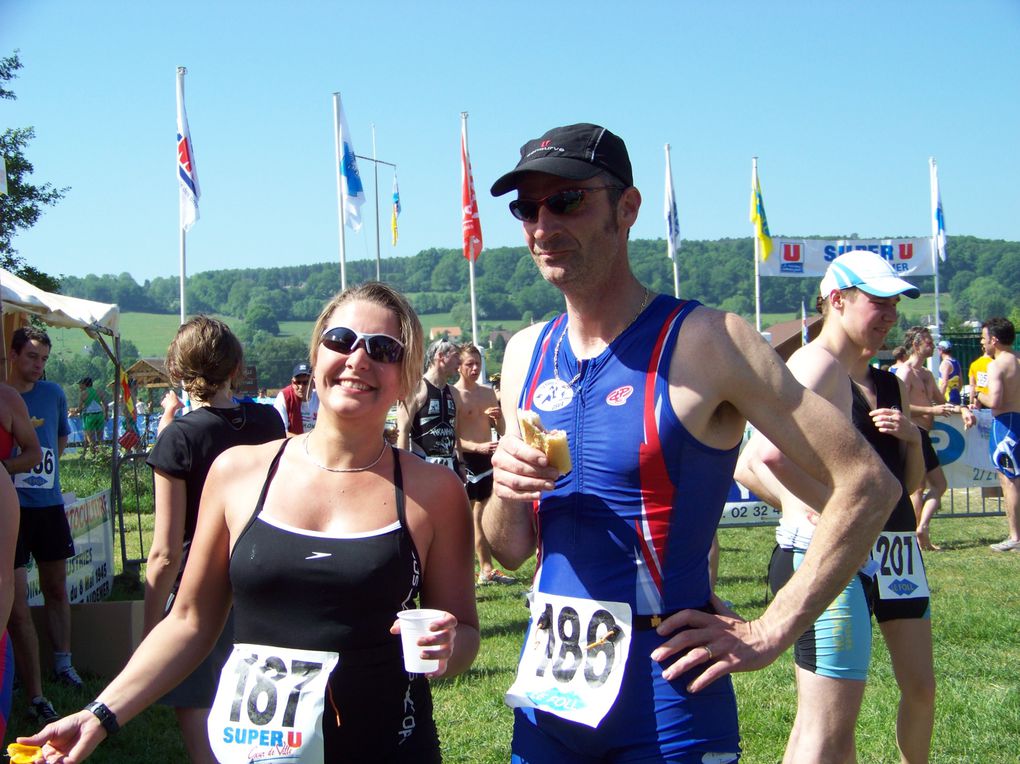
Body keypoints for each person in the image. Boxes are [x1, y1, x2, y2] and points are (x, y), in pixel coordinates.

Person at [483, 122, 897, 762]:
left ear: (627, 209)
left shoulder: (709, 341)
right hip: (553, 687)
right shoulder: (523, 355)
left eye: (566, 200)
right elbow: (508, 550)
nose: (542, 224)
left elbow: (868, 484)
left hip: (669, 687)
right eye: (527, 207)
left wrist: (770, 629)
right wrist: (506, 491)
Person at [23, 283, 479, 763]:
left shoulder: (435, 492)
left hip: (389, 749)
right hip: (257, 753)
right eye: (342, 339)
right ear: (317, 351)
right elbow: (189, 620)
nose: (358, 359)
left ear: (405, 377)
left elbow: (465, 632)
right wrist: (99, 715)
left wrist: (448, 645)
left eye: (383, 349)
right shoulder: (237, 473)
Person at [736, 250, 928, 763]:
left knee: (817, 733)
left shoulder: (832, 369)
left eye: (895, 304)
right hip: (821, 556)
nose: (889, 315)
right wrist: (827, 507)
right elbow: (760, 457)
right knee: (829, 737)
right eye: (877, 302)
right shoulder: (817, 364)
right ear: (837, 300)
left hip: (833, 554)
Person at [144, 317, 284, 762]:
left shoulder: (178, 437)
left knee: (199, 701)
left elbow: (165, 552)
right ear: (236, 367)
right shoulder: (266, 420)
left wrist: (152, 631)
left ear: (177, 368)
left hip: (200, 586)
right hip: (266, 577)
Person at [7, 327, 82, 727]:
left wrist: (37, 469)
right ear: (14, 355)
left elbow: (58, 441)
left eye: (44, 359)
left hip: (48, 505)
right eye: (33, 357)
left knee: (56, 587)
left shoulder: (53, 394)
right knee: (14, 602)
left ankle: (63, 662)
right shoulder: (5, 396)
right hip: (12, 509)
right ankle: (20, 677)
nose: (38, 366)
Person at [896, 326, 975, 551]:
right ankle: (915, 535)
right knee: (919, 488)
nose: (933, 346)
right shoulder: (905, 372)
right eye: (929, 342)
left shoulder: (927, 375)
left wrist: (963, 410)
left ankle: (920, 530)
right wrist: (932, 411)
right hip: (913, 435)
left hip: (923, 436)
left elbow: (942, 402)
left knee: (937, 485)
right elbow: (900, 406)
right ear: (916, 344)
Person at [1, 383, 43, 742]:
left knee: (15, 613)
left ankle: (35, 696)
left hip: (4, 513)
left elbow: (32, 453)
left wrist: (2, 466)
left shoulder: (7, 398)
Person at [451, 344, 514, 585]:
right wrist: (475, 448)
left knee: (488, 515)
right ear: (459, 366)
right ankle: (482, 569)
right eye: (470, 364)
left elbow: (501, 430)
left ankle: (487, 569)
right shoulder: (454, 394)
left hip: (489, 458)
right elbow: (453, 435)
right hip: (468, 459)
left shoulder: (488, 393)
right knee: (474, 517)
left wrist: (497, 420)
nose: (475, 368)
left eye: (478, 363)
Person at [976, 318, 1020, 552]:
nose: (982, 343)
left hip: (1005, 424)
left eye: (983, 338)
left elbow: (995, 401)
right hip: (1017, 420)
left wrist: (978, 394)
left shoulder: (996, 365)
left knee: (1009, 481)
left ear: (994, 339)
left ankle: (1015, 536)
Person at [397, 338, 463, 473]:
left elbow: (455, 432)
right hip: (422, 464)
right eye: (456, 356)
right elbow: (402, 432)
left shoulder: (455, 393)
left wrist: (461, 463)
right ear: (440, 356)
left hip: (450, 466)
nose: (460, 362)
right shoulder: (415, 389)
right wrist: (402, 470)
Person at [273, 362, 319, 436]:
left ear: (313, 382)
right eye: (297, 382)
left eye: (305, 382)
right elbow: (281, 432)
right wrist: (305, 443)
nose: (301, 387)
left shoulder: (320, 397)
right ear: (292, 382)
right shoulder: (284, 397)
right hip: (293, 445)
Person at [75, 378, 106, 458]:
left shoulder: (83, 394)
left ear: (85, 384)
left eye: (81, 385)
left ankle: (94, 456)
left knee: (91, 439)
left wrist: (75, 411)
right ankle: (103, 454)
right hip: (99, 415)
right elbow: (106, 405)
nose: (80, 387)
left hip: (89, 416)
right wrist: (105, 415)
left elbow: (80, 408)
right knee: (100, 438)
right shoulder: (99, 392)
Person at [936, 340, 963, 405]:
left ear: (941, 350)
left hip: (947, 399)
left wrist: (939, 400)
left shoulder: (945, 363)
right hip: (956, 397)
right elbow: (961, 382)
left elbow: (944, 384)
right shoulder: (956, 362)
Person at [968, 344, 993, 409]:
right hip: (992, 398)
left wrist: (971, 402)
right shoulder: (995, 363)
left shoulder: (974, 364)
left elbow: (972, 386)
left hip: (979, 400)